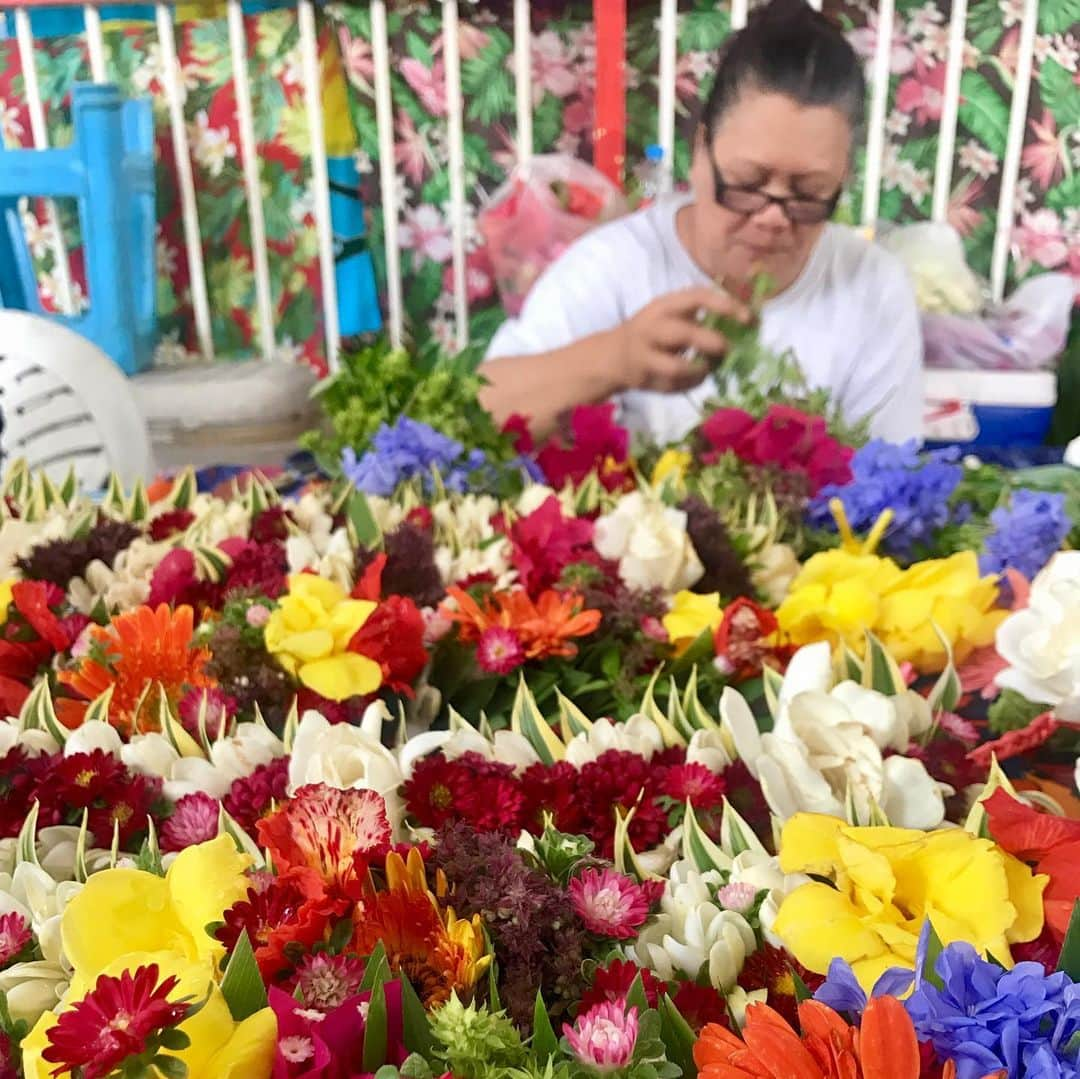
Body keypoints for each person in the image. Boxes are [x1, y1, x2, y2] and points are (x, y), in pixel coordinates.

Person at [480, 0, 923, 445]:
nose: (772, 217)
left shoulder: (873, 288)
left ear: (843, 179)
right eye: (748, 183)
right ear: (700, 153)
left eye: (809, 193)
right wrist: (615, 359)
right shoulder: (616, 266)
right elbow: (478, 412)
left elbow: (890, 481)